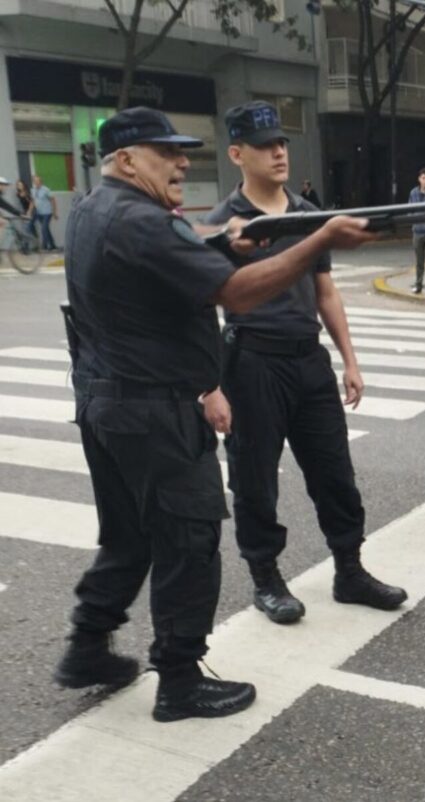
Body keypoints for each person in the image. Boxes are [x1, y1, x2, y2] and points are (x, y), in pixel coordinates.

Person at [54, 106, 375, 722]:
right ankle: (179, 681)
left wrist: (226, 241)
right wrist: (319, 240)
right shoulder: (145, 221)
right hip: (157, 412)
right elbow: (239, 293)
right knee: (189, 540)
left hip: (105, 405)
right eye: (164, 152)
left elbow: (173, 259)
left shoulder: (94, 209)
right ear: (125, 160)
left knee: (129, 537)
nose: (181, 163)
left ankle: (87, 646)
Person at [204, 101, 407, 625]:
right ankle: (266, 578)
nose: (278, 152)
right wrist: (211, 388)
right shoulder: (221, 225)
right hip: (251, 363)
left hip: (306, 359)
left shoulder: (307, 212)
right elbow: (202, 309)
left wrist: (350, 361)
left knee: (335, 473)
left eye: (282, 143)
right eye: (265, 145)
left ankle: (349, 569)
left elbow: (325, 291)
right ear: (236, 154)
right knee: (254, 480)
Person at [31, 173, 58, 251]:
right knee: (46, 229)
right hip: (39, 213)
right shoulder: (33, 190)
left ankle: (44, 246)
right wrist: (29, 211)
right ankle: (53, 245)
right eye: (34, 181)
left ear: (40, 182)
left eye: (37, 181)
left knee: (43, 229)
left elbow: (53, 200)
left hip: (47, 212)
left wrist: (55, 212)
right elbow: (33, 201)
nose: (36, 182)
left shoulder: (46, 190)